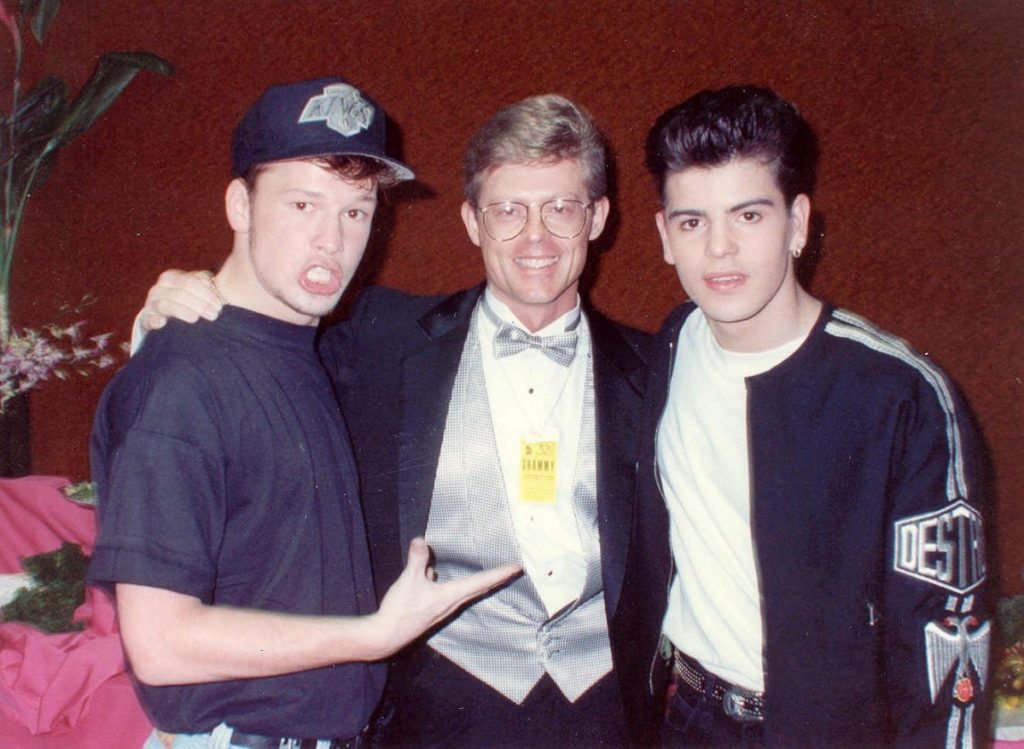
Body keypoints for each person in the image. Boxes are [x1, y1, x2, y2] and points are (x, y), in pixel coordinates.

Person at [138, 94, 671, 747]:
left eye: (561, 207)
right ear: (472, 221)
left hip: (606, 710)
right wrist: (175, 302)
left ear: (598, 218)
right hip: (436, 707)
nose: (535, 236)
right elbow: (261, 326)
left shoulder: (658, 370)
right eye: (508, 210)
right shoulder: (381, 338)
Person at [87, 77, 519, 749]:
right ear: (240, 203)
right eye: (302, 203)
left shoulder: (309, 347)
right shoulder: (182, 382)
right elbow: (161, 642)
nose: (331, 240)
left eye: (356, 210)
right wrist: (373, 635)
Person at [642, 85, 991, 748]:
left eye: (748, 216)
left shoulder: (900, 396)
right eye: (693, 221)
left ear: (798, 223)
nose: (719, 248)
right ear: (665, 235)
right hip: (687, 716)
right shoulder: (673, 342)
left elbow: (946, 640)